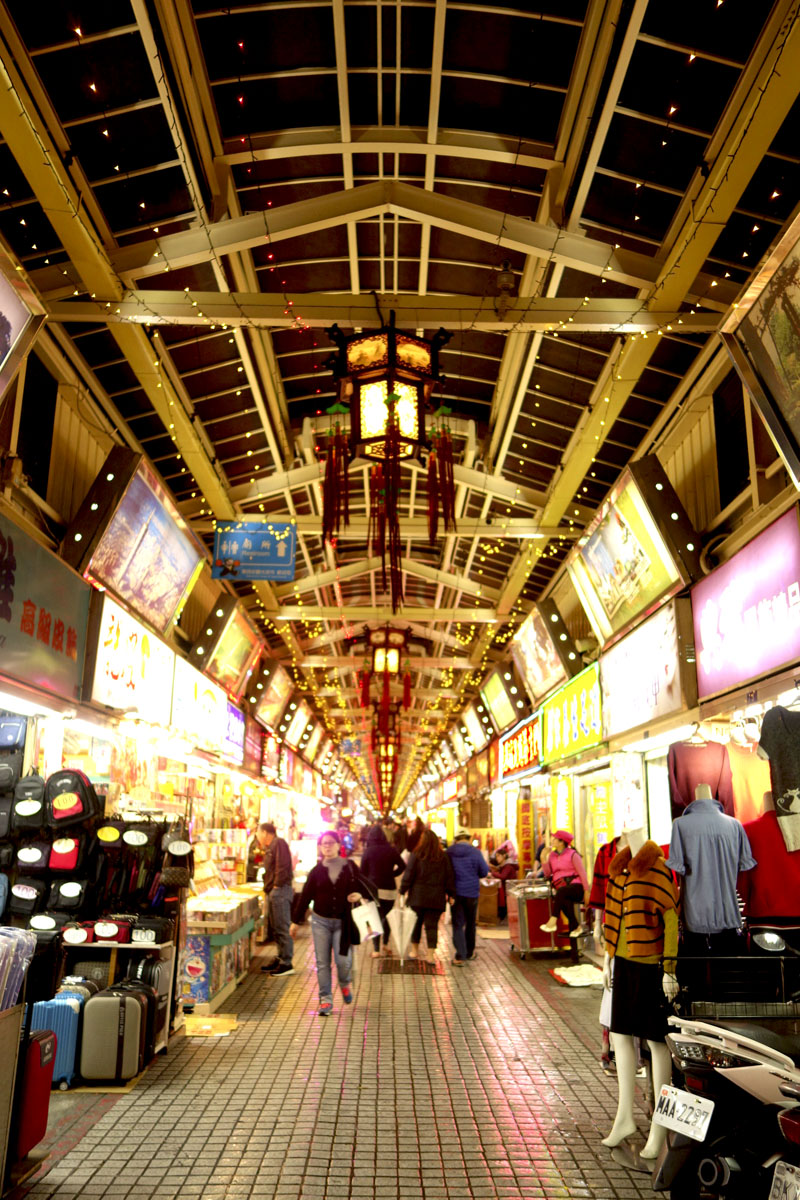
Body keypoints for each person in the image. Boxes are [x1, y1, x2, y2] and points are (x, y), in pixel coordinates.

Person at [290, 830, 376, 1016]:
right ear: (320, 847)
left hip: (344, 923)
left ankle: (344, 984)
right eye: (324, 843)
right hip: (320, 922)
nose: (327, 846)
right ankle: (326, 1000)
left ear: (338, 845)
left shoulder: (350, 866)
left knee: (343, 961)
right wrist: (295, 921)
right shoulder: (316, 871)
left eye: (330, 842)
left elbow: (369, 887)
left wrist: (359, 895)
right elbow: (305, 897)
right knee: (322, 963)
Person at [400, 828, 455, 963]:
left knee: (416, 925)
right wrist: (451, 894)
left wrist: (402, 889)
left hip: (417, 897)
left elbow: (409, 874)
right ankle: (430, 956)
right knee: (432, 926)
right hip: (436, 897)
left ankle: (414, 952)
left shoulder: (416, 855)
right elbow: (449, 877)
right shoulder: (443, 856)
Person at [360, 824, 406, 957]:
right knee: (385, 916)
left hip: (373, 890)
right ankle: (385, 944)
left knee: (375, 918)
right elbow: (402, 866)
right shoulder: (391, 850)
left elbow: (362, 873)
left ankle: (376, 950)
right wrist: (392, 874)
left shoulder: (368, 851)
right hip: (389, 890)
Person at [257, 821, 295, 976]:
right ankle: (281, 957)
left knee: (281, 927)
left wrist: (277, 886)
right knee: (276, 927)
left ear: (265, 832)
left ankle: (287, 962)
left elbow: (283, 866)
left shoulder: (278, 843)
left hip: (280, 891)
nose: (257, 836)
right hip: (275, 891)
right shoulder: (272, 846)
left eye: (258, 833)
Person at [446, 829, 488, 966]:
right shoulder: (475, 852)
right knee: (470, 924)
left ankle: (460, 955)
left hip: (456, 893)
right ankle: (469, 953)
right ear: (468, 838)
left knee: (458, 924)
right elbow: (484, 872)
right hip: (472, 893)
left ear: (456, 839)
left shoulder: (449, 852)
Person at [539, 830, 589, 938]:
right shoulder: (552, 855)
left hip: (576, 887)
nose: (552, 840)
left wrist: (587, 891)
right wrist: (543, 859)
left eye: (555, 838)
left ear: (561, 842)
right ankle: (576, 927)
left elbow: (582, 873)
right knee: (564, 899)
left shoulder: (573, 854)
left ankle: (553, 920)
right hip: (563, 889)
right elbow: (548, 874)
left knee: (561, 893)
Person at [489, 846, 517, 922]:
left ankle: (501, 917)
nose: (497, 858)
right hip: (506, 889)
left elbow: (503, 876)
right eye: (496, 856)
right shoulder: (504, 866)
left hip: (509, 890)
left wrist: (492, 873)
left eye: (498, 856)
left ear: (504, 856)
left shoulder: (508, 866)